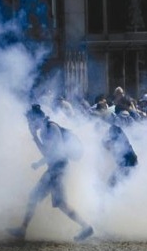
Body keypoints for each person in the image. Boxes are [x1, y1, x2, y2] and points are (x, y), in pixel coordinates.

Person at [7, 104, 93, 242]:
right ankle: (86, 227)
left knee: (42, 198)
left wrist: (36, 140)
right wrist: (35, 140)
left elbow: (56, 152)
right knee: (57, 202)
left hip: (58, 168)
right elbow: (49, 153)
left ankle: (23, 229)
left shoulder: (52, 128)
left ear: (38, 119)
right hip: (55, 168)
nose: (30, 124)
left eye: (31, 121)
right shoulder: (43, 132)